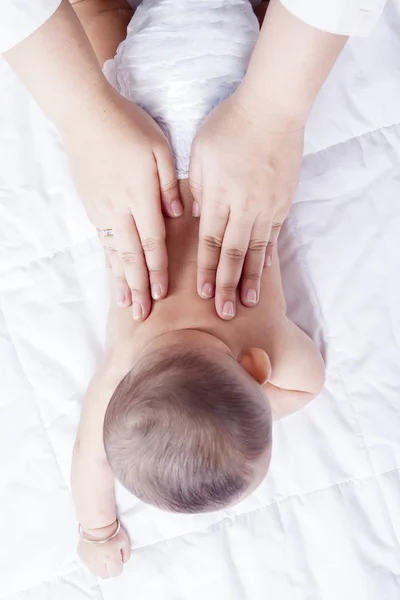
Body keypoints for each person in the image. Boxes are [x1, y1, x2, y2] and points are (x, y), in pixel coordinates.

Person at [70, 0, 325, 579]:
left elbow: (309, 385)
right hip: (143, 119)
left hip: (230, 82)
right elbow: (90, 458)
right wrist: (95, 529)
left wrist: (260, 400)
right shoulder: (124, 363)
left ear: (257, 368)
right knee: (99, 20)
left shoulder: (263, 342)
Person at [1, 0, 386, 321]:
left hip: (220, 71)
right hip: (171, 91)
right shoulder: (132, 378)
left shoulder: (251, 357)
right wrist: (270, 114)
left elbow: (306, 378)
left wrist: (85, 116)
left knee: (98, 14)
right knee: (98, 13)